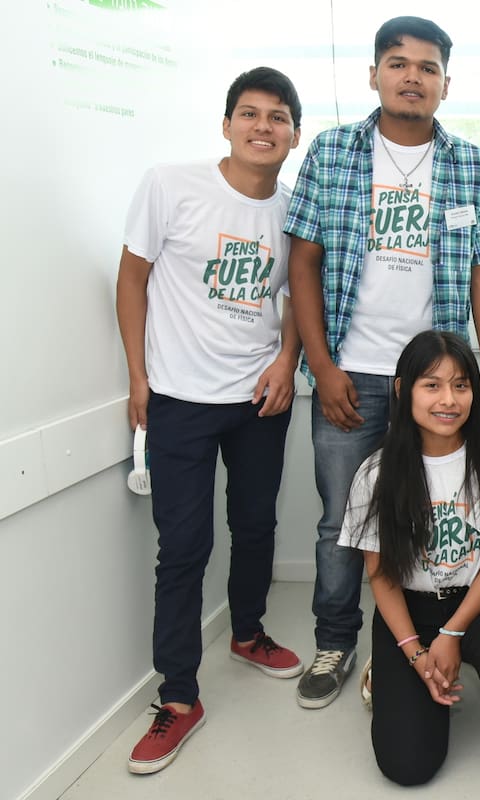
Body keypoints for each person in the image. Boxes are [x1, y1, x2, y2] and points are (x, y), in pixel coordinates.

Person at [285, 15, 480, 708]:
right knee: (342, 521)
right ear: (374, 74)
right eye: (398, 63)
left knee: (446, 510)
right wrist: (321, 368)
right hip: (351, 375)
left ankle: (440, 633)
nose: (412, 75)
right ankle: (336, 638)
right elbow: (302, 262)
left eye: (427, 67)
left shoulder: (469, 163)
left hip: (439, 382)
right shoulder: (331, 153)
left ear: (446, 83)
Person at [116, 67, 304, 775]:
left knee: (256, 525)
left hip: (258, 399)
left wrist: (288, 360)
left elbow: (296, 301)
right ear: (226, 124)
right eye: (249, 114)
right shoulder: (170, 184)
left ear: (294, 134)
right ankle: (179, 696)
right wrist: (137, 376)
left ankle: (248, 632)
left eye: (278, 117)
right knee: (184, 547)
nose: (263, 126)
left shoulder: (293, 211)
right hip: (178, 399)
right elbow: (131, 277)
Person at [337, 330, 480, 785]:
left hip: (476, 600)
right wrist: (415, 654)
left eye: (461, 385)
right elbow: (381, 576)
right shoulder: (375, 474)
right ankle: (390, 669)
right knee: (408, 767)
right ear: (402, 389)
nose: (448, 400)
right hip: (408, 610)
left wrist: (452, 632)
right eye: (431, 385)